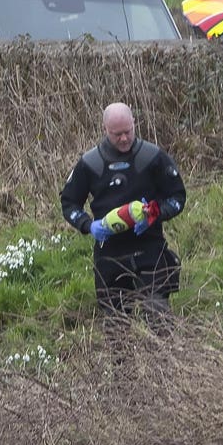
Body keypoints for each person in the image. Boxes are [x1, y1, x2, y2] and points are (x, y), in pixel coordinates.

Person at [59, 102, 188, 329]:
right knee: (116, 328)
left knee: (158, 316)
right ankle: (122, 364)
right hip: (109, 254)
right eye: (117, 134)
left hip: (150, 248)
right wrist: (88, 225)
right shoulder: (90, 164)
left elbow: (177, 196)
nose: (124, 138)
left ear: (134, 124)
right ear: (105, 130)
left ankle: (165, 362)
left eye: (128, 131)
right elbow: (69, 203)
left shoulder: (152, 157)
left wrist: (155, 214)